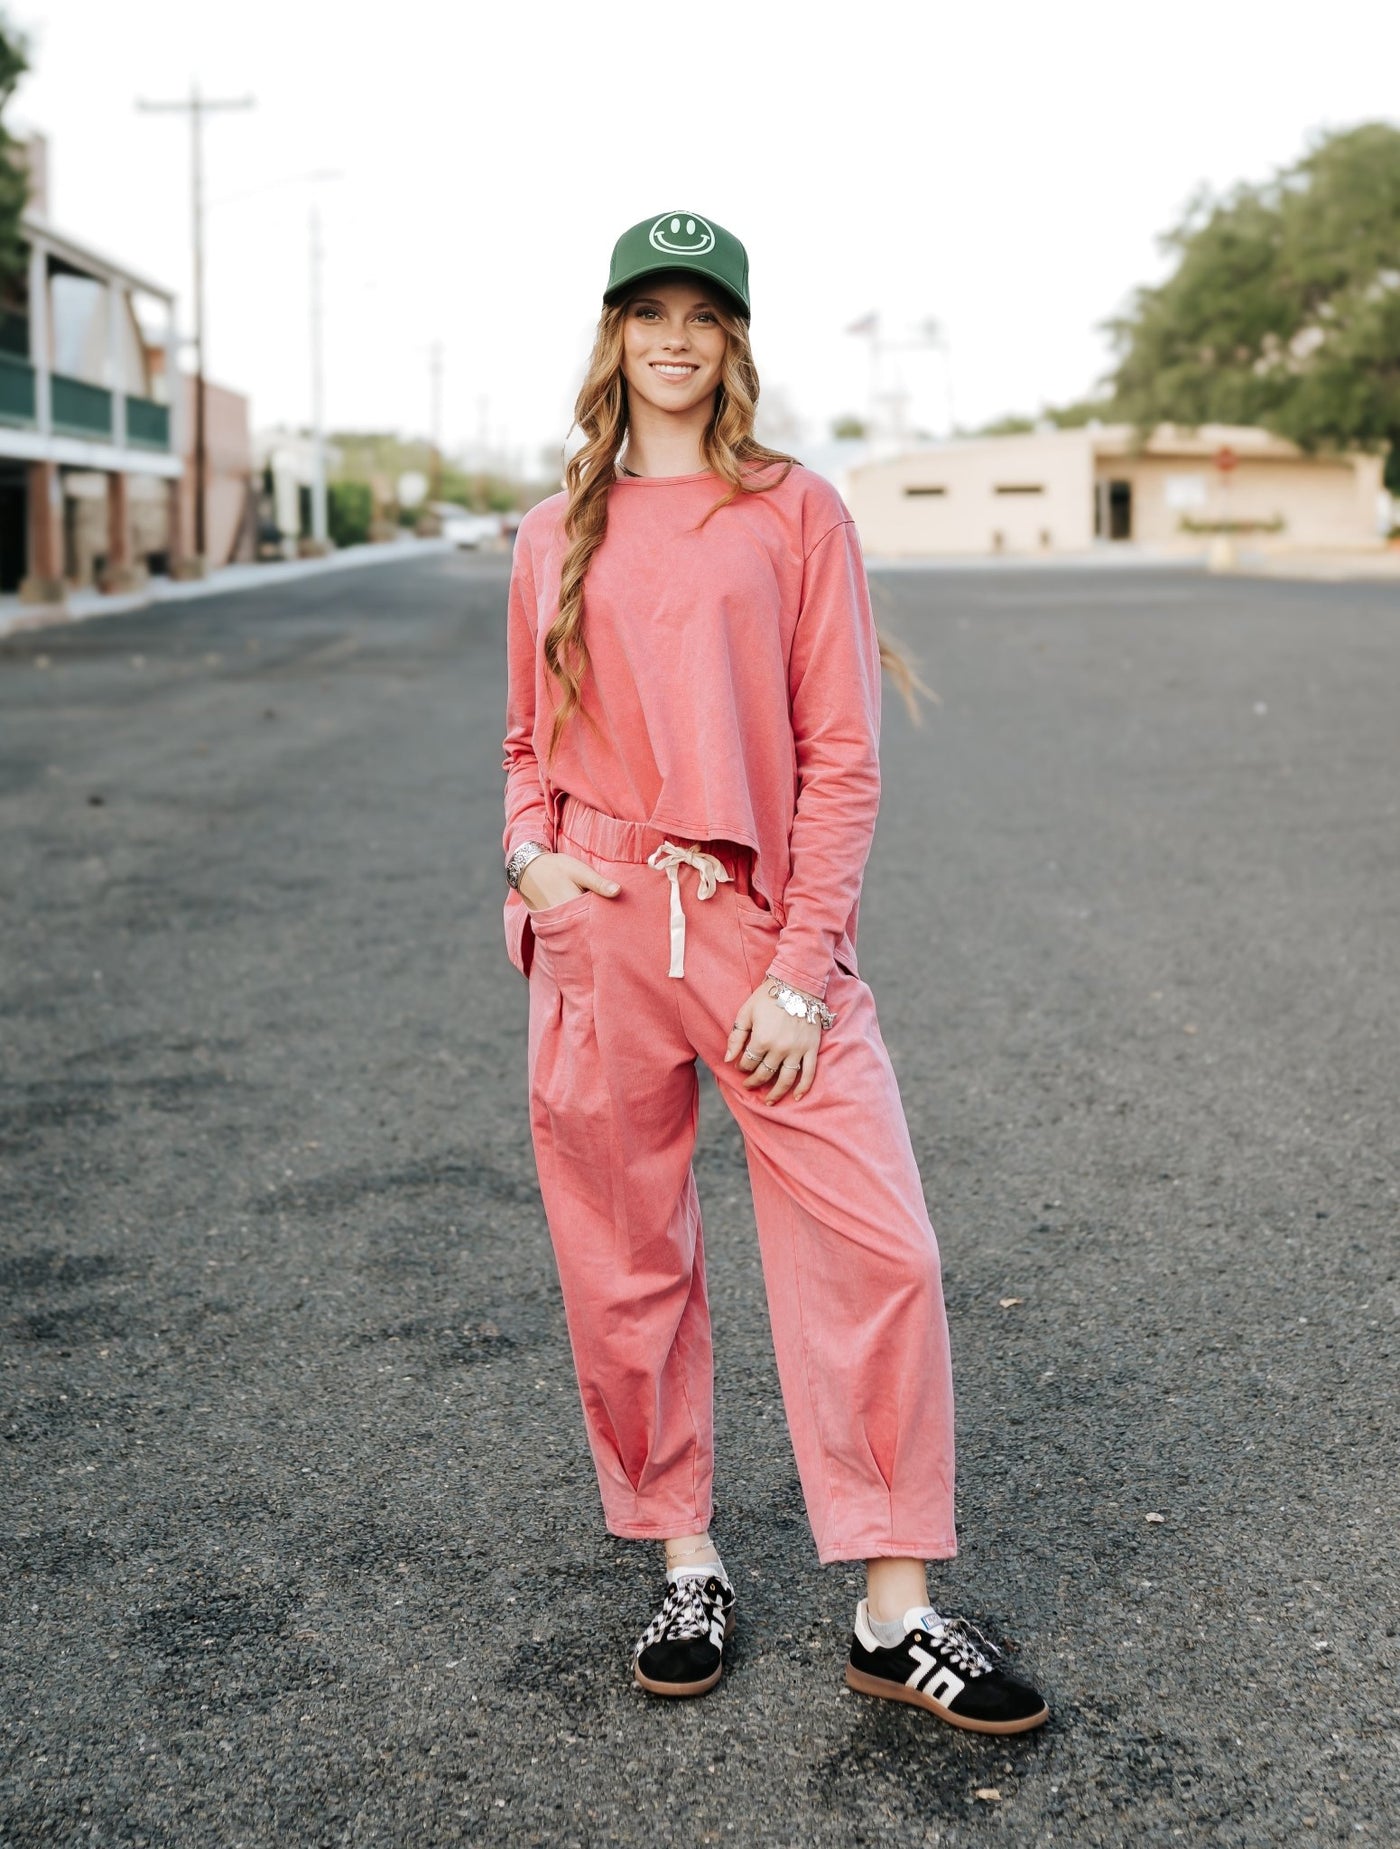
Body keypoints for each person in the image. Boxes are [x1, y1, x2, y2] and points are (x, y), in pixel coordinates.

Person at [500, 210, 1048, 1734]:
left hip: (752, 928)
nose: (675, 336)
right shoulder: (559, 527)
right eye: (647, 310)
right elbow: (523, 750)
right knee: (626, 1257)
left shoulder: (795, 511)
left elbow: (843, 755)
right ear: (613, 334)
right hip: (599, 923)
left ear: (735, 340)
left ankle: (899, 1606)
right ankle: (686, 1556)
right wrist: (529, 859)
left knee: (881, 1250)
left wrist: (802, 967)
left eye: (704, 313)